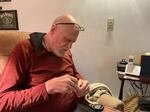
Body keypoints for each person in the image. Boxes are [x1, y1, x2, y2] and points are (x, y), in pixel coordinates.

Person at [0, 14, 89, 112]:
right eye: (66, 40)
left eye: (73, 42)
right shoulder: (24, 50)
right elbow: (3, 101)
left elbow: (74, 73)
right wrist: (47, 88)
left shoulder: (66, 52)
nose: (69, 47)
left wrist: (81, 82)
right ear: (53, 28)